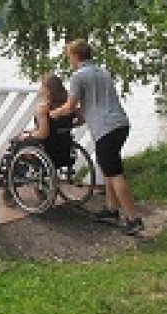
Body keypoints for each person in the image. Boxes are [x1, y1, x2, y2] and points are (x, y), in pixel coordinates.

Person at [49, 39, 144, 235]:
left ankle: (134, 219)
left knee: (115, 173)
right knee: (107, 166)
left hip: (106, 129)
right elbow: (95, 104)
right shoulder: (103, 72)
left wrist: (54, 114)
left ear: (75, 56)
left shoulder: (78, 76)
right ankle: (111, 209)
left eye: (69, 57)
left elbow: (70, 106)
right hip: (121, 124)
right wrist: (80, 120)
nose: (69, 61)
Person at [15, 74, 77, 168]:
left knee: (17, 141)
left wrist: (29, 135)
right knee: (24, 134)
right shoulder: (68, 107)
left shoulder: (44, 108)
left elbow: (43, 134)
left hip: (48, 152)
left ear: (47, 91)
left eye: (42, 86)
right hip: (65, 149)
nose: (40, 89)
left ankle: (11, 172)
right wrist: (66, 127)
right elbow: (81, 119)